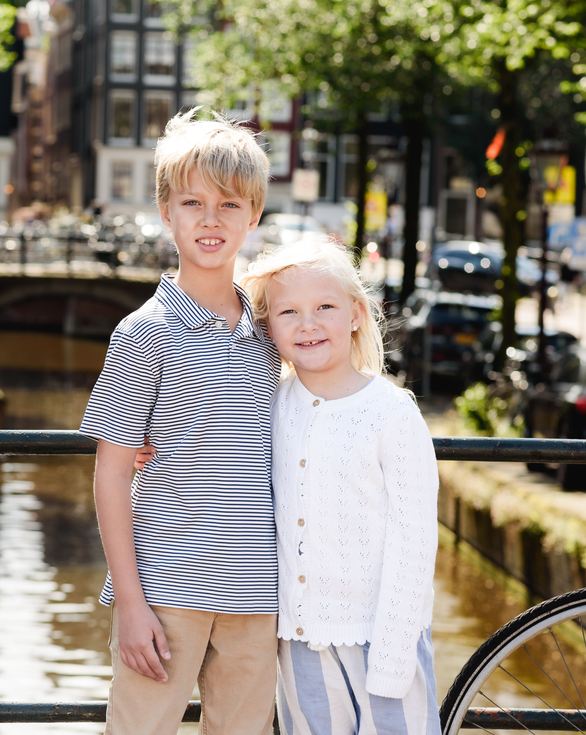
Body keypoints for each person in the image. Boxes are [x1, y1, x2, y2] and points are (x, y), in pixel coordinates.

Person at [79, 109, 282, 735]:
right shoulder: (144, 332)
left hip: (259, 594)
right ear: (167, 212)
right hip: (167, 589)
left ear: (253, 216)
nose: (211, 220)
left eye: (229, 205)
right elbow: (111, 475)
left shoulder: (273, 329)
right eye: (193, 202)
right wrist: (130, 602)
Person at [243, 239, 440, 735]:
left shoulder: (391, 412)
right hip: (300, 641)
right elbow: (217, 452)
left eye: (324, 307)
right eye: (288, 312)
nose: (308, 324)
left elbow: (414, 537)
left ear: (355, 313)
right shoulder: (270, 405)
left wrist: (394, 657)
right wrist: (151, 447)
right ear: (270, 328)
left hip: (381, 637)